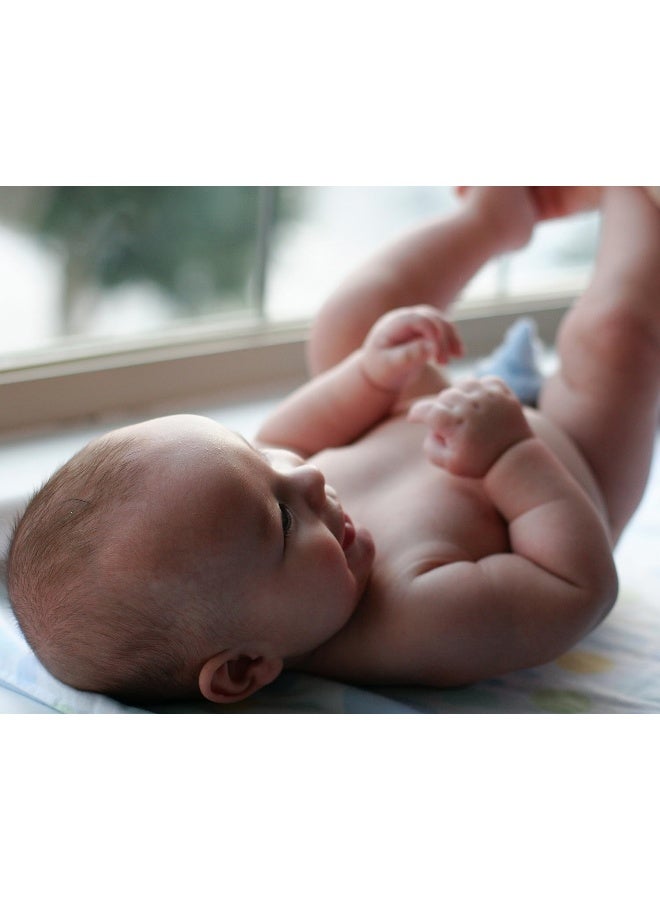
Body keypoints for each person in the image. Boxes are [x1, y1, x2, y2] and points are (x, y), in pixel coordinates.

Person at [5, 187, 659, 706]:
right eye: (283, 521)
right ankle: (636, 190)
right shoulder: (416, 620)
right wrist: (510, 456)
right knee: (614, 335)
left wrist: (372, 374)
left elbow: (293, 436)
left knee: (348, 324)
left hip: (435, 407)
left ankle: (499, 214)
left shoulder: (260, 501)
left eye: (257, 460)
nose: (309, 481)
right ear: (243, 668)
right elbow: (577, 584)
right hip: (571, 454)